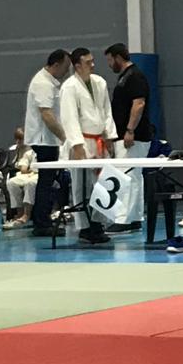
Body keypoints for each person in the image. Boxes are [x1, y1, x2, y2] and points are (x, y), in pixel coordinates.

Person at [59, 47, 113, 245]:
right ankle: (85, 227)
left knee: (102, 183)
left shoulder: (100, 82)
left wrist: (109, 136)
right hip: (81, 140)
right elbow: (69, 117)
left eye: (92, 61)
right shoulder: (69, 87)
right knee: (81, 186)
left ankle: (99, 223)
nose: (93, 65)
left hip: (99, 140)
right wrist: (77, 144)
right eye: (88, 62)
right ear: (77, 65)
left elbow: (107, 111)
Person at [104, 43, 153, 233]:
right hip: (128, 134)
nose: (109, 65)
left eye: (110, 60)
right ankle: (135, 217)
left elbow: (139, 104)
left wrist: (130, 130)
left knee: (127, 175)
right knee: (134, 176)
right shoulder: (125, 77)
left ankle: (123, 219)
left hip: (134, 136)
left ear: (118, 57)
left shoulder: (135, 76)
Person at [23, 49, 71, 235]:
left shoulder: (47, 81)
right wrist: (65, 138)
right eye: (66, 67)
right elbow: (47, 115)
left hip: (47, 139)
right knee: (47, 182)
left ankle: (42, 219)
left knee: (47, 180)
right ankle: (42, 223)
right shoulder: (43, 84)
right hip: (44, 140)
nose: (67, 71)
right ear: (56, 65)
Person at [3, 128, 39, 228]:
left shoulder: (48, 151)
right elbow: (23, 169)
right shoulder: (29, 153)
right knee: (11, 182)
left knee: (30, 183)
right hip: (29, 174)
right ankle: (19, 212)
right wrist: (30, 170)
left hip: (40, 175)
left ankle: (27, 214)